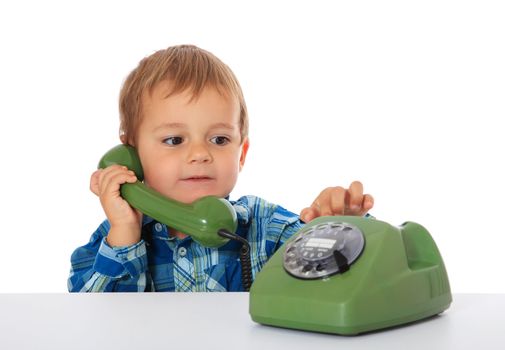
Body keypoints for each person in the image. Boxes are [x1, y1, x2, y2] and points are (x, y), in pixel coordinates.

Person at [68, 45, 374, 292]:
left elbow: (343, 283)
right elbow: (94, 324)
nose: (200, 154)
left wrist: (339, 225)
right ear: (131, 156)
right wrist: (125, 236)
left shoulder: (267, 228)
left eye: (219, 138)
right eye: (175, 139)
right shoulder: (109, 240)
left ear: (241, 154)